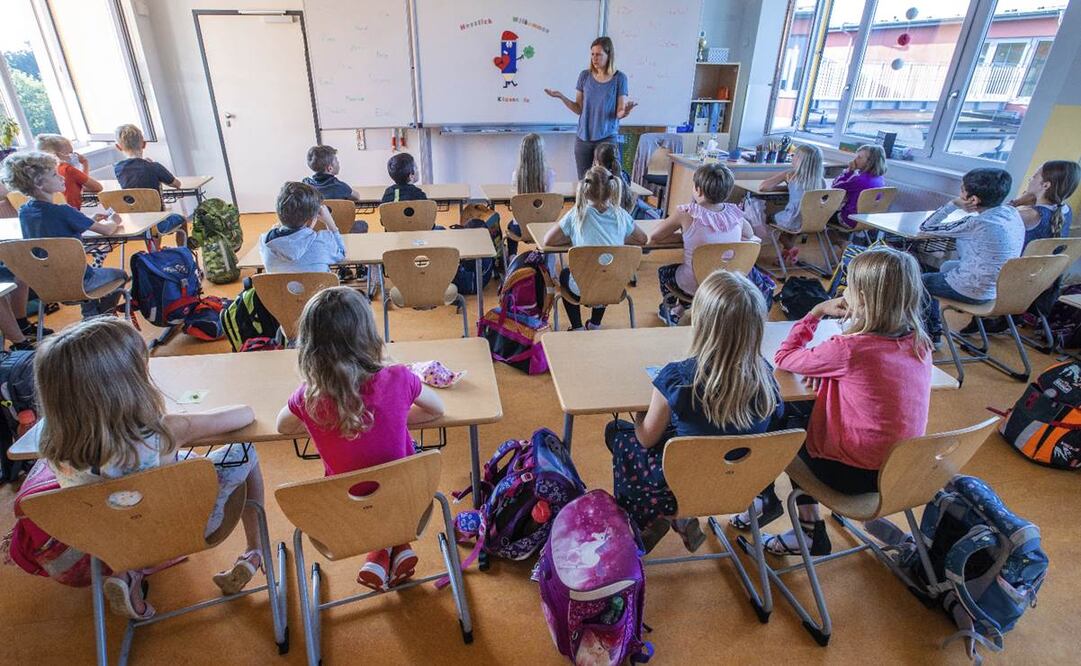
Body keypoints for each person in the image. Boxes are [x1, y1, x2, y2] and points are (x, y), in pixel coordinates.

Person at [36, 317, 266, 619]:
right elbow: (244, 415)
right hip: (184, 527)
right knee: (244, 451)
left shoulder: (50, 438)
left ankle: (127, 573)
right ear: (128, 383)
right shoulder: (161, 431)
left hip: (103, 538)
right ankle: (254, 550)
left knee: (124, 495)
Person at [744, 248, 932, 556]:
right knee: (803, 408)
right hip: (899, 472)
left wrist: (816, 312)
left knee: (781, 417)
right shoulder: (919, 343)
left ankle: (800, 526)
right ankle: (786, 515)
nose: (844, 292)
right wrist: (832, 376)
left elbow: (783, 356)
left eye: (851, 288)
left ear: (864, 299)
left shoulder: (849, 349)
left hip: (852, 476)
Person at [276, 287, 445, 591]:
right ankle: (398, 546)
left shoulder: (308, 398)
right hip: (408, 501)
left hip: (345, 512)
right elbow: (436, 410)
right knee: (395, 477)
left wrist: (329, 421)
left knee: (367, 492)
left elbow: (282, 427)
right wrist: (391, 418)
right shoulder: (399, 377)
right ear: (368, 335)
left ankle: (379, 554)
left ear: (309, 345)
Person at [607, 270, 783, 553]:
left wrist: (639, 412)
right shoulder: (766, 379)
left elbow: (645, 439)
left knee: (617, 435)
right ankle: (679, 519)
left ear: (701, 323)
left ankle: (649, 519)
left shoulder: (677, 378)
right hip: (741, 485)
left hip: (677, 485)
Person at [0, 151, 127, 318]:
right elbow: (107, 230)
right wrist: (114, 220)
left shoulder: (24, 212)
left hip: (46, 286)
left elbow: (51, 230)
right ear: (39, 183)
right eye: (54, 174)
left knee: (69, 269)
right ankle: (104, 316)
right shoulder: (64, 211)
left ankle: (91, 315)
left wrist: (86, 219)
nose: (61, 177)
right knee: (121, 275)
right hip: (82, 281)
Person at [919, 168, 1023, 347]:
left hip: (973, 289)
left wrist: (953, 204)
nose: (960, 194)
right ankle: (931, 324)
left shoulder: (976, 222)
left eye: (962, 190)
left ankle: (930, 334)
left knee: (914, 281)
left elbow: (926, 227)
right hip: (998, 289)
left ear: (973, 200)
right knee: (945, 268)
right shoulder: (1011, 213)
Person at [648, 162, 760, 325]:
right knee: (698, 269)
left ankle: (671, 309)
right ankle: (686, 307)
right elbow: (749, 234)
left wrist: (684, 236)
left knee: (665, 272)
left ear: (697, 189)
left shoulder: (687, 212)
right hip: (726, 282)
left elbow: (655, 235)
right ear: (727, 192)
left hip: (695, 283)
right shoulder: (735, 214)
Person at [541, 165, 646, 330]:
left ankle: (577, 326)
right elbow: (643, 239)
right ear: (612, 189)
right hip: (613, 288)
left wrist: (573, 239)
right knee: (606, 269)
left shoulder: (577, 213)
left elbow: (548, 240)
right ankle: (595, 324)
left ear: (585, 189)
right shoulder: (621, 215)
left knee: (565, 274)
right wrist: (619, 238)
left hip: (581, 288)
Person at [544, 36, 637, 179]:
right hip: (583, 138)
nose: (594, 58)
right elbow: (578, 109)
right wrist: (561, 97)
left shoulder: (620, 78)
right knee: (584, 181)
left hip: (607, 137)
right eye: (592, 54)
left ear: (609, 55)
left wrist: (626, 111)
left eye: (599, 54)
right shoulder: (584, 76)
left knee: (606, 181)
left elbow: (619, 112)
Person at [258, 181, 345, 274]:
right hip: (319, 288)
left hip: (279, 288)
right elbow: (341, 253)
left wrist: (276, 229)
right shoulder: (322, 241)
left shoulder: (264, 241)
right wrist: (331, 224)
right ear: (310, 221)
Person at [760, 144, 826, 264]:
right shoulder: (820, 181)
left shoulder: (791, 175)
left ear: (801, 161)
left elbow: (764, 186)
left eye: (795, 155)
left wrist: (783, 177)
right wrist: (786, 188)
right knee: (793, 227)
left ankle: (791, 248)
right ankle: (784, 257)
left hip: (792, 219)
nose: (792, 157)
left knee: (770, 220)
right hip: (812, 221)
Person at [506, 133, 556, 256]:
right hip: (544, 227)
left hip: (521, 228)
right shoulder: (549, 174)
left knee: (509, 226)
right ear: (541, 152)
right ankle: (546, 261)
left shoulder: (516, 175)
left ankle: (512, 258)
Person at [1010, 160, 1079, 247]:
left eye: (1034, 177)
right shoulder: (1067, 210)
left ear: (1045, 185)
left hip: (1021, 260)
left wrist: (1016, 202)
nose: (1029, 179)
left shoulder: (1031, 214)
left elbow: (993, 220)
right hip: (1048, 260)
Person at [34, 134, 102, 209]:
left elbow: (78, 186)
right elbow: (97, 187)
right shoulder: (69, 170)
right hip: (77, 210)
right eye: (70, 152)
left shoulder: (45, 173)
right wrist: (85, 164)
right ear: (57, 154)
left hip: (58, 211)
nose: (73, 155)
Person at [830, 144, 887, 229]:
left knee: (818, 213)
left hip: (849, 220)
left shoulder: (859, 180)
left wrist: (849, 172)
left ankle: (830, 239)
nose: (855, 160)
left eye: (859, 157)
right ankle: (839, 240)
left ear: (869, 162)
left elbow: (834, 187)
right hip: (867, 220)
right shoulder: (880, 179)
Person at [113, 124, 182, 192]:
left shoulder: (118, 168)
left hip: (131, 203)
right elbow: (177, 184)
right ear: (144, 144)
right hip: (155, 203)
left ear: (118, 147)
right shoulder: (154, 167)